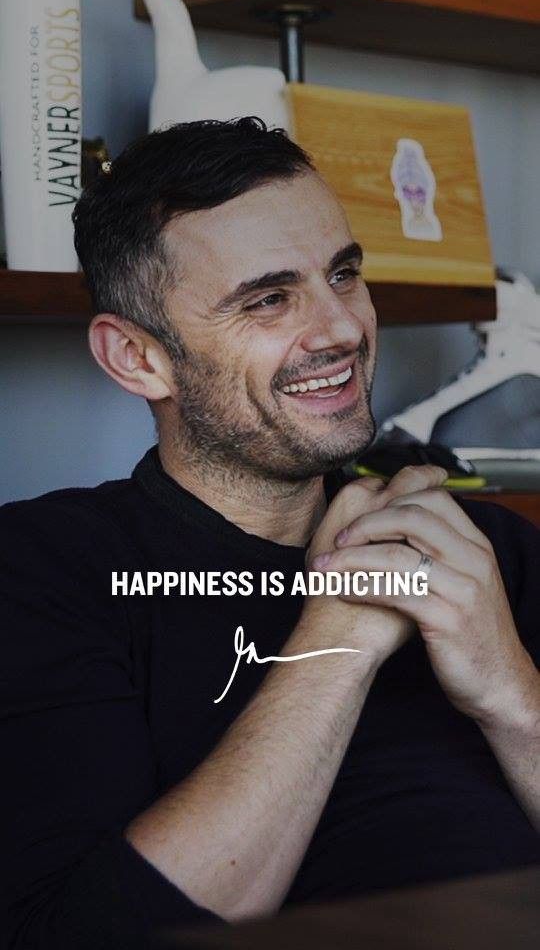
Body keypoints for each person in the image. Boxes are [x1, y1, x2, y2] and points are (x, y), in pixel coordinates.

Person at [1, 118, 539, 950]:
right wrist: (338, 639)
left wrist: (511, 697)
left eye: (343, 275)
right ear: (139, 359)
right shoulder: (47, 572)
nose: (342, 330)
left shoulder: (482, 550)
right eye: (268, 299)